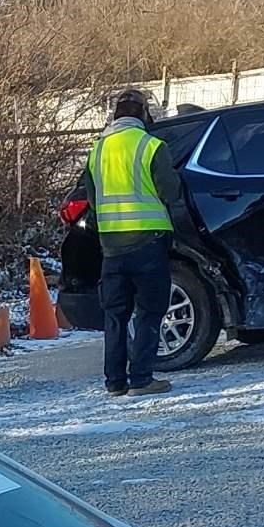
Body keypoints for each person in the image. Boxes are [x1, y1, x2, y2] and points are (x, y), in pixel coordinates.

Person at [61, 89, 190, 396]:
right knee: (149, 310)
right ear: (144, 114)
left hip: (111, 249)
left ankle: (114, 382)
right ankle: (142, 379)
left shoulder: (98, 150)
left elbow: (92, 199)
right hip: (148, 242)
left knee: (115, 315)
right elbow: (171, 191)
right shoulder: (151, 146)